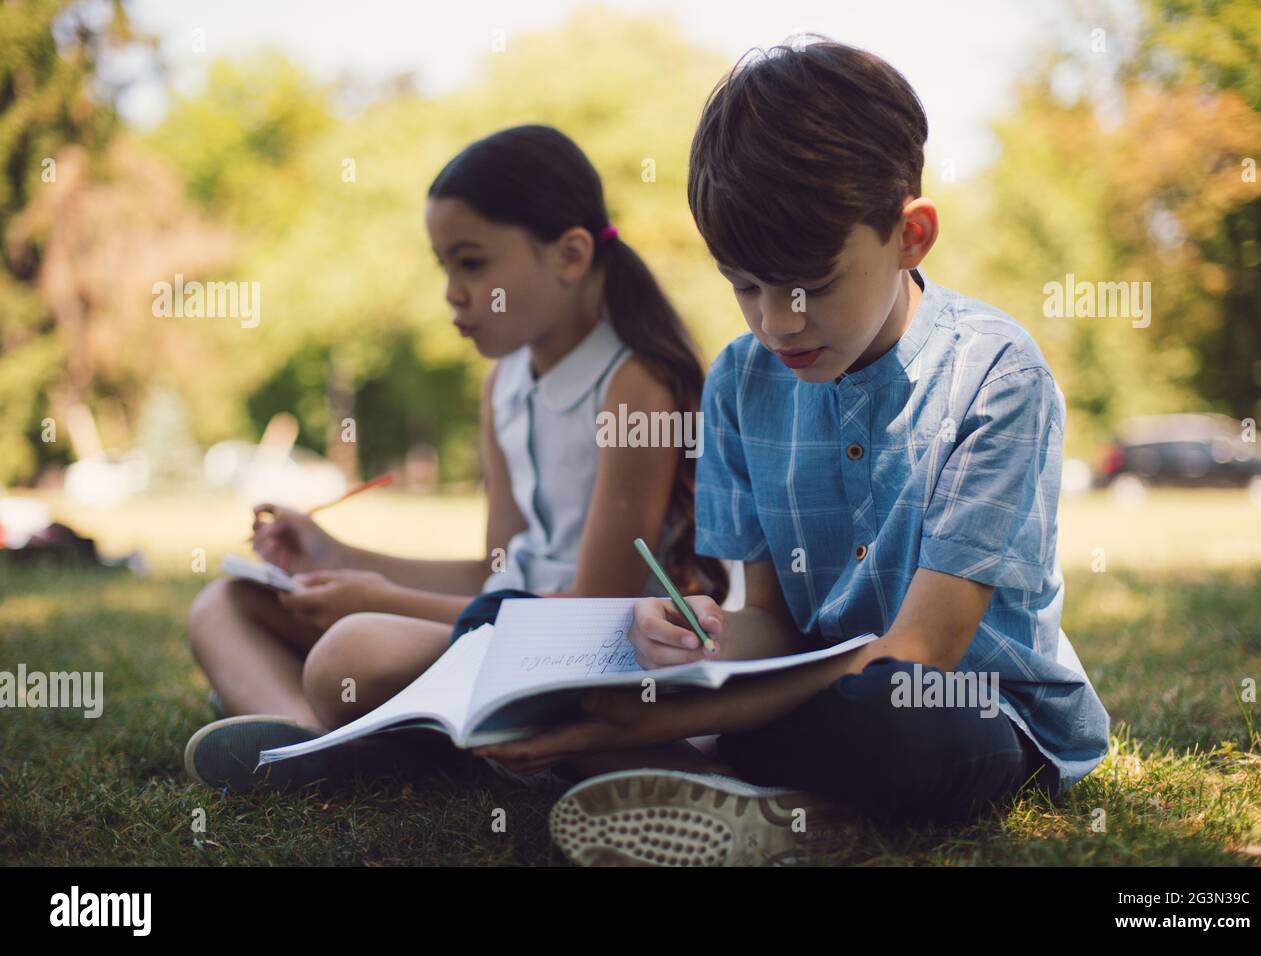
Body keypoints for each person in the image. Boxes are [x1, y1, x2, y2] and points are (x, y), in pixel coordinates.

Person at [473, 39, 1111, 866]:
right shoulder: (742, 381)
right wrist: (700, 638)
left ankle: (702, 771)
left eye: (810, 285)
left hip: (965, 708)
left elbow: (923, 653)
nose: (777, 322)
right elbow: (769, 620)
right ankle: (761, 800)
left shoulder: (996, 376)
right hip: (800, 690)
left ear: (910, 236)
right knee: (571, 653)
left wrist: (671, 716)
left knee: (892, 718)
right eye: (745, 286)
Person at [184, 125, 726, 792]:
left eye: (472, 263)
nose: (452, 292)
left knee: (351, 653)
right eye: (445, 266)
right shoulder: (503, 383)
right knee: (224, 604)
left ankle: (344, 735)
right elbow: (490, 570)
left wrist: (385, 600)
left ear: (570, 255)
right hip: (499, 629)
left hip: (587, 649)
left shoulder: (634, 385)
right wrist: (334, 554)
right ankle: (315, 744)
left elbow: (595, 605)